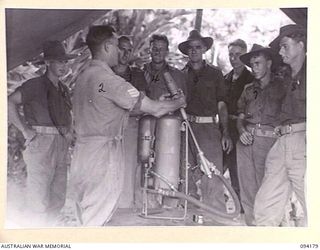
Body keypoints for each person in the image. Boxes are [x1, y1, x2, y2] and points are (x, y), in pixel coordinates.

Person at [69, 25, 186, 226]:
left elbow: (120, 105)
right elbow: (155, 109)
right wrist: (177, 103)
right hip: (102, 156)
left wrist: (156, 101)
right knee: (96, 218)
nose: (120, 52)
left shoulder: (83, 77)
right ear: (107, 47)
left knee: (86, 213)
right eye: (117, 46)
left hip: (83, 153)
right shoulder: (109, 80)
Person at [8, 40, 76, 227]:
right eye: (59, 61)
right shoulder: (34, 85)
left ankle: (49, 234)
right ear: (48, 63)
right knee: (38, 198)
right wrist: (25, 130)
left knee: (58, 196)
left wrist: (69, 133)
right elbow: (9, 102)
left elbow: (66, 114)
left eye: (65, 62)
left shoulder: (63, 89)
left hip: (61, 144)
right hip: (41, 142)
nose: (63, 66)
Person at [254, 24, 307, 226]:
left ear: (301, 45)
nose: (280, 51)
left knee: (311, 203)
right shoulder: (288, 77)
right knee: (265, 206)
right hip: (282, 141)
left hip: (303, 142)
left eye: (285, 46)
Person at [178, 30, 233, 222]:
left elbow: (222, 104)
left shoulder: (215, 74)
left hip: (209, 129)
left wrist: (225, 133)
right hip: (186, 129)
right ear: (186, 51)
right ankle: (188, 218)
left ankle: (217, 219)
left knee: (212, 174)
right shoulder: (180, 74)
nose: (194, 51)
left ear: (204, 50)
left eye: (198, 47)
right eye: (190, 48)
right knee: (186, 174)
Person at [236, 44, 285, 226]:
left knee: (269, 189)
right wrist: (241, 131)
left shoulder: (282, 87)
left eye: (258, 63)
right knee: (247, 188)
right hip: (246, 141)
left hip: (270, 142)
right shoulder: (248, 88)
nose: (254, 68)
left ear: (269, 63)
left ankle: (269, 228)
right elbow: (240, 116)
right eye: (252, 64)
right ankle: (252, 228)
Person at [142, 34, 187, 208]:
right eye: (154, 48)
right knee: (145, 163)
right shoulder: (140, 73)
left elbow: (183, 101)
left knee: (170, 166)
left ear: (167, 51)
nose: (158, 52)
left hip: (170, 129)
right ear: (149, 50)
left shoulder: (176, 75)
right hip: (146, 126)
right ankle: (147, 204)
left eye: (161, 48)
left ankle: (170, 206)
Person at [113, 35, 147, 208]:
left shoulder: (137, 75)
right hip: (108, 127)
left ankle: (124, 208)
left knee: (128, 167)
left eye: (129, 50)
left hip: (130, 127)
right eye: (122, 49)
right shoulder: (105, 72)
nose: (125, 53)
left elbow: (140, 103)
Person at [224, 39, 254, 203]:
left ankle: (243, 205)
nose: (234, 58)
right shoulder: (225, 78)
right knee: (219, 166)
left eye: (238, 54)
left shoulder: (251, 78)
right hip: (225, 128)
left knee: (239, 169)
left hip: (243, 128)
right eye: (231, 54)